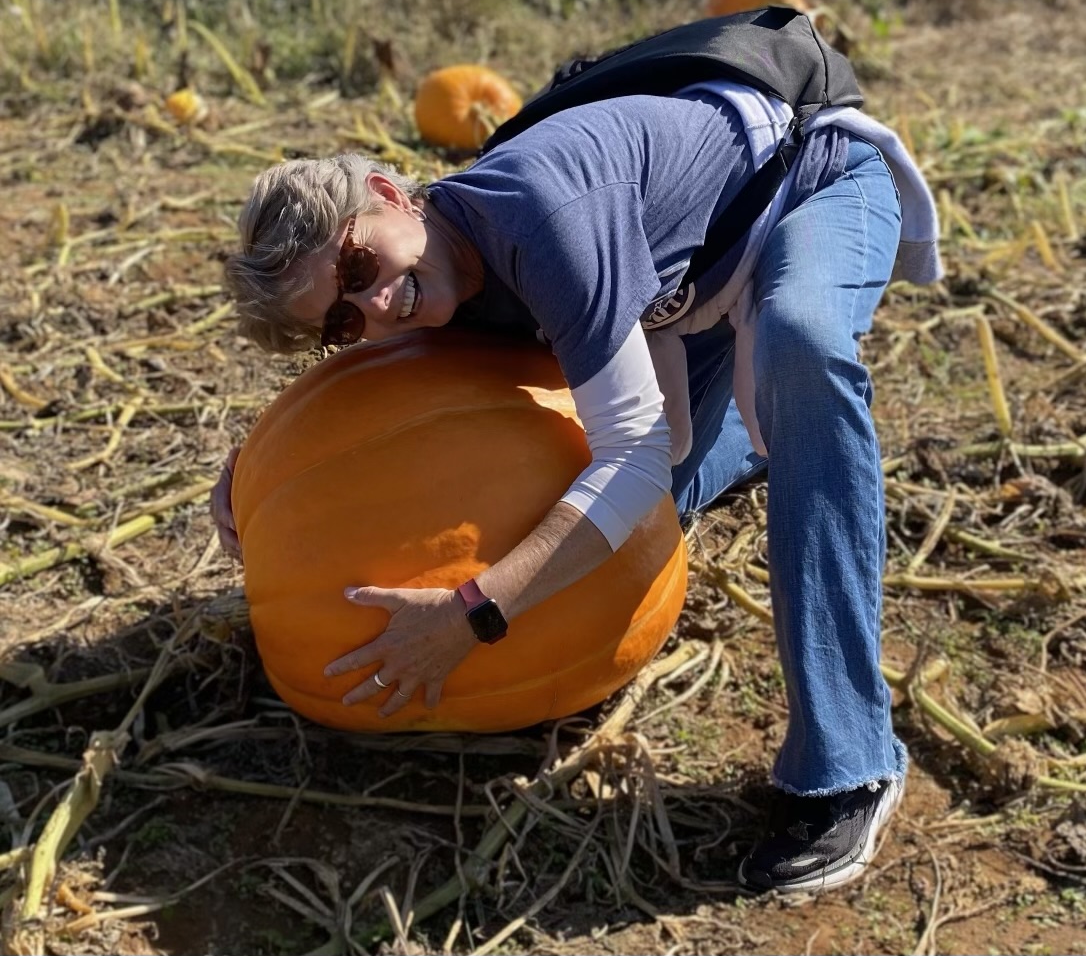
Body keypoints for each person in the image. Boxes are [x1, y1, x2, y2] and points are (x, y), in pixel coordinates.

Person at [214, 63, 942, 894]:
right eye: (342, 319)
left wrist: (474, 613)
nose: (376, 305)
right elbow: (385, 407)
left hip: (808, 188)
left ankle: (849, 762)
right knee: (647, 509)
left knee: (797, 348)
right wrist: (249, 471)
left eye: (354, 268)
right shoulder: (435, 278)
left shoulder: (542, 218)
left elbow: (625, 455)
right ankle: (773, 427)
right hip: (678, 298)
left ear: (389, 192)